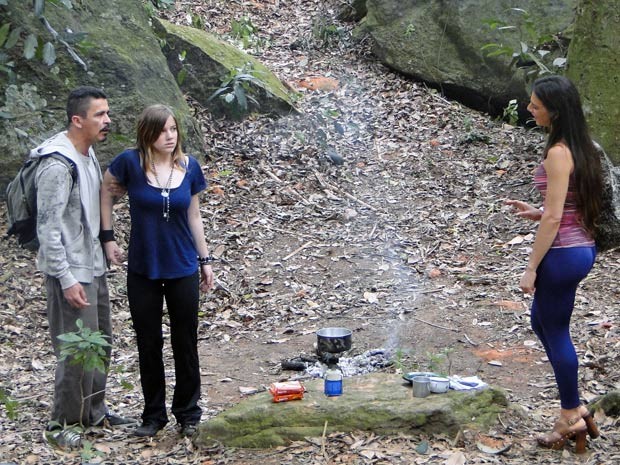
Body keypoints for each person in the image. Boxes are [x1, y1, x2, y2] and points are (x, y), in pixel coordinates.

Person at [100, 104, 215, 438]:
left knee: (185, 340)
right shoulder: (129, 163)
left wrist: (205, 261)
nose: (170, 136)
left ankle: (189, 413)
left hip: (182, 266)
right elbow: (105, 193)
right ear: (148, 133)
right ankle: (153, 416)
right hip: (142, 268)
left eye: (174, 129)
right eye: (163, 130)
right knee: (148, 343)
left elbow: (194, 216)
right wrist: (108, 239)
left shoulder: (189, 167)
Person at [505, 75, 603, 454]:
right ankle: (576, 407)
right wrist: (536, 212)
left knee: (557, 331)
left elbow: (555, 218)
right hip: (579, 248)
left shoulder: (559, 152)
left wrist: (531, 267)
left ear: (556, 111)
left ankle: (570, 415)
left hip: (563, 254)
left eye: (536, 106)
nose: (530, 110)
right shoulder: (581, 146)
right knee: (541, 321)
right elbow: (566, 206)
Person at [36, 86, 133, 449]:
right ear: (77, 120)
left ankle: (94, 411)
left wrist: (107, 240)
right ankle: (62, 423)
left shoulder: (87, 154)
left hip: (92, 264)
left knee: (100, 340)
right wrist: (65, 279)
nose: (107, 121)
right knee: (77, 349)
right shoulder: (56, 165)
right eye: (99, 115)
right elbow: (47, 229)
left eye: (107, 113)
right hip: (71, 272)